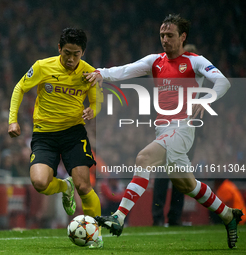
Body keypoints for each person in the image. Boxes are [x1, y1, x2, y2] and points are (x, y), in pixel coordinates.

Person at [86, 14, 243, 249]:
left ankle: (118, 217)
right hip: (162, 130)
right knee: (186, 185)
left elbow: (223, 81)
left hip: (182, 128)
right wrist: (101, 73)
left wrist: (207, 98)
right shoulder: (154, 61)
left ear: (183, 37)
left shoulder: (195, 61)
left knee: (143, 158)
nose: (165, 40)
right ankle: (229, 215)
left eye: (170, 35)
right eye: (162, 35)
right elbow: (126, 70)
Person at [8, 28, 104, 248]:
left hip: (73, 133)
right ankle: (64, 187)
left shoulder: (89, 72)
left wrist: (93, 111)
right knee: (40, 182)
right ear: (59, 48)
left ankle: (95, 235)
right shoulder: (43, 66)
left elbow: (97, 100)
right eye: (67, 52)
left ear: (83, 52)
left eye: (76, 54)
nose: (71, 58)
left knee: (83, 185)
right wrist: (12, 120)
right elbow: (20, 88)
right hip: (45, 134)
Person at [151, 43, 200, 227]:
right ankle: (157, 218)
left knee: (182, 174)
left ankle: (174, 217)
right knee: (163, 174)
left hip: (187, 130)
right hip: (168, 128)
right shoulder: (166, 71)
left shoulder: (196, 73)